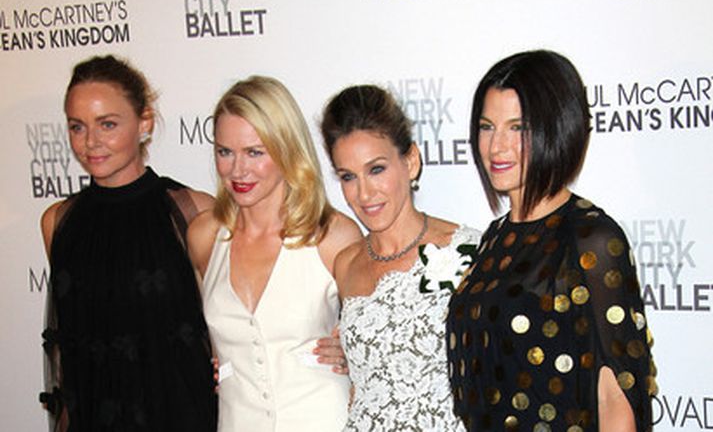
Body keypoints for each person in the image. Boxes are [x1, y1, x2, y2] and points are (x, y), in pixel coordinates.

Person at [446, 50, 657, 432]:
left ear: (557, 129)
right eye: (487, 126)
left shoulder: (590, 238)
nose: (497, 146)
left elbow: (615, 398)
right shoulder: (494, 239)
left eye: (518, 128)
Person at [39, 55, 217, 432]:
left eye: (107, 124)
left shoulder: (192, 212)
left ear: (144, 122)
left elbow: (237, 324)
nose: (90, 142)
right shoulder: (58, 222)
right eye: (77, 126)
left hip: (181, 417)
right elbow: (70, 350)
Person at [187, 75, 361, 431]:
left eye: (255, 152)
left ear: (286, 149)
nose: (238, 170)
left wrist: (355, 354)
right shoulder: (204, 236)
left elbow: (376, 342)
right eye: (225, 152)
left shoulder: (333, 236)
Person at [320, 85, 480, 431]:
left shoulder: (466, 249)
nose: (364, 193)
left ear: (410, 162)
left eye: (376, 169)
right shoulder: (345, 263)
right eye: (348, 177)